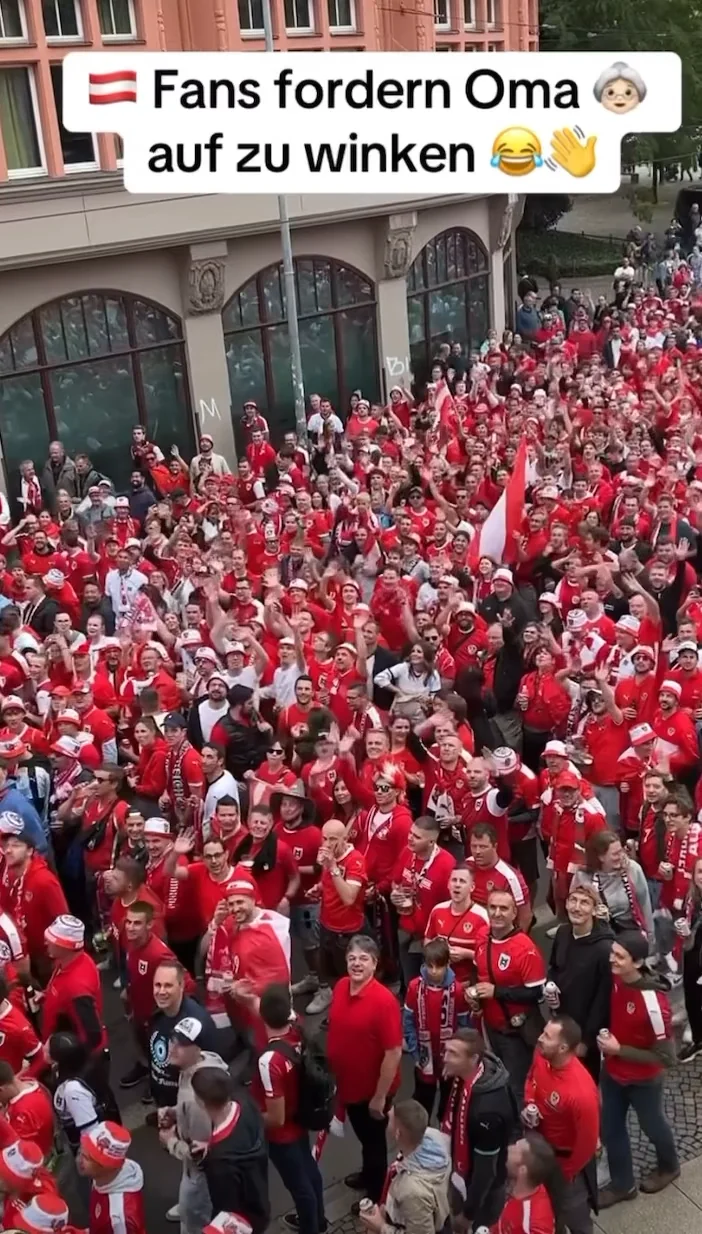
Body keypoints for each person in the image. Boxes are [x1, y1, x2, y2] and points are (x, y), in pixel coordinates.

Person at [597, 931, 679, 1208]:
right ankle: (623, 1185)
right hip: (613, 1072)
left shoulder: (654, 1005)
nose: (612, 959)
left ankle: (669, 1165)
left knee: (652, 1125)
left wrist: (619, 1049)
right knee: (610, 1128)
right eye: (613, 952)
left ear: (638, 962)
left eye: (619, 956)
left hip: (644, 1080)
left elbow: (666, 1058)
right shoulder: (617, 979)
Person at [326, 934, 403, 1207]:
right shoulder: (341, 987)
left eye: (363, 958)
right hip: (348, 1085)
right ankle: (369, 1174)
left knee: (374, 1143)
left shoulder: (384, 1002)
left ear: (374, 964)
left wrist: (379, 1097)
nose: (356, 963)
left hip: (371, 1092)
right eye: (352, 958)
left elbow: (393, 1052)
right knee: (364, 1137)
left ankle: (375, 1194)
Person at [253, 983, 326, 1234]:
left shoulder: (269, 1061)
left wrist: (249, 1117)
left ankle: (310, 1228)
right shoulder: (298, 1029)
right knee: (310, 1173)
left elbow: (276, 1118)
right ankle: (319, 1220)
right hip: (301, 1119)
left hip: (282, 1136)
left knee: (299, 1187)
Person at [524, 1017, 600, 1234]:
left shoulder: (581, 1093)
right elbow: (531, 1079)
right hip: (540, 1150)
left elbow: (587, 1144)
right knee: (547, 1210)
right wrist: (529, 1103)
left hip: (565, 1164)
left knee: (575, 1215)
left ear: (563, 1047)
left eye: (547, 1036)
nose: (540, 1038)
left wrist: (565, 1174)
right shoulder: (542, 1054)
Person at [472, 889, 546, 1106]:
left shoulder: (525, 948)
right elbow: (478, 971)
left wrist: (496, 992)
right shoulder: (482, 936)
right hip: (490, 1026)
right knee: (497, 1077)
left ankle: (520, 1123)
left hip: (515, 1031)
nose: (497, 913)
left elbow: (537, 993)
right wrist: (476, 998)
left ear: (514, 913)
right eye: (492, 907)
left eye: (503, 908)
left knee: (516, 1086)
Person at [157, 1016, 230, 1234]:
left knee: (194, 1224)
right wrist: (176, 1112)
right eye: (172, 1040)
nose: (172, 1048)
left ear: (198, 1048)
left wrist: (171, 1142)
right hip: (195, 1173)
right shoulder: (204, 1062)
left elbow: (202, 1156)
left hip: (200, 1178)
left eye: (181, 1044)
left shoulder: (196, 1100)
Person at [441, 1028, 517, 1229]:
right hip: (463, 1170)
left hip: (483, 1193)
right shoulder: (467, 1074)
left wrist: (469, 1214)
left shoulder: (487, 1113)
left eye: (453, 1054)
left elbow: (485, 1173)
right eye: (446, 1051)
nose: (445, 1058)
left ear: (473, 1059)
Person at [190, 1067, 270, 1234]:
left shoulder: (220, 1162)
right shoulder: (245, 1102)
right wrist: (212, 1145)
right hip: (259, 1203)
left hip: (242, 1223)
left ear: (201, 1102)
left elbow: (226, 1211)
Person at [545, 885, 613, 1078]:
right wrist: (549, 986)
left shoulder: (604, 949)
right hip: (561, 1022)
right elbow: (554, 967)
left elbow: (603, 1000)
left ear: (594, 910)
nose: (577, 907)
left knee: (584, 1079)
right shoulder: (562, 933)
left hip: (584, 1032)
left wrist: (586, 1040)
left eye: (584, 903)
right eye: (573, 901)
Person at [403, 937, 472, 1121]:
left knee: (449, 1101)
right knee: (423, 1098)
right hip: (424, 1055)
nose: (434, 971)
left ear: (448, 964)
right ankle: (420, 1131)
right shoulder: (414, 987)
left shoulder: (457, 990)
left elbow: (464, 1025)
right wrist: (414, 1052)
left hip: (448, 1055)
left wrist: (459, 1055)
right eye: (430, 966)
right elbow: (408, 1022)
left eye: (439, 966)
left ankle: (445, 1128)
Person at [357, 1099, 451, 1234]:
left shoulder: (412, 1192)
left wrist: (381, 1227)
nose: (386, 1116)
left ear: (398, 1134)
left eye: (390, 1119)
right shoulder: (434, 1139)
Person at [149, 960, 220, 1111]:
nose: (161, 991)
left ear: (181, 986)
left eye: (168, 985)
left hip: (187, 1105)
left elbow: (213, 1069)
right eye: (158, 985)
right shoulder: (158, 1012)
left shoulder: (197, 1022)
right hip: (162, 1098)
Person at [572, 830, 654, 950]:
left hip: (628, 932)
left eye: (621, 851)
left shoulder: (632, 869)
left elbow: (645, 904)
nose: (621, 856)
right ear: (601, 857)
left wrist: (650, 939)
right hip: (596, 934)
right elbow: (573, 907)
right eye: (615, 854)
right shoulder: (583, 876)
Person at [77, 1121, 146, 1234]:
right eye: (81, 1152)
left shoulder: (120, 1220)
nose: (79, 1160)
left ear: (106, 1166)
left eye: (86, 1158)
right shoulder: (101, 1178)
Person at [491, 1136, 557, 1234]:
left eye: (515, 1151)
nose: (509, 1148)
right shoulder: (528, 1185)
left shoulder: (534, 1225)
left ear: (522, 1170)